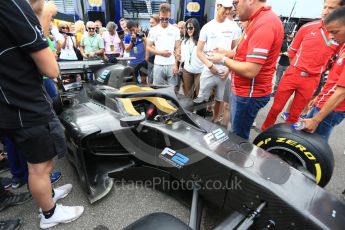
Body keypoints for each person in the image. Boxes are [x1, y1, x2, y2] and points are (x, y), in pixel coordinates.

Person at [0, 0, 84, 228]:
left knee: (36, 164)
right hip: (25, 105)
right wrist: (45, 15)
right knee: (40, 167)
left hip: (12, 103)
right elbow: (51, 69)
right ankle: (49, 214)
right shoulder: (12, 5)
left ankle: (48, 196)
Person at [261, 0, 344, 131]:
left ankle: (285, 137)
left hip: (313, 80)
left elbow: (335, 62)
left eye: (331, 8)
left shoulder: (340, 36)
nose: (326, 11)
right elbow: (291, 52)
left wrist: (317, 71)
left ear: (340, 11)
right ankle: (265, 130)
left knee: (295, 115)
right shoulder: (307, 27)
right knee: (276, 107)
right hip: (293, 74)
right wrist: (298, 67)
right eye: (324, 7)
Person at [209, 0, 284, 139]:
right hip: (244, 92)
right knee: (235, 132)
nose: (233, 8)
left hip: (249, 94)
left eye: (235, 3)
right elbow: (240, 51)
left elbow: (251, 70)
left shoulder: (265, 24)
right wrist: (225, 52)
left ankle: (236, 159)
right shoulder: (255, 20)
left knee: (238, 138)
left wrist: (222, 59)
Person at [303, 6, 345, 141]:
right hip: (323, 103)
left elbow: (341, 92)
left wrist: (316, 119)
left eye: (335, 31)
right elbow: (334, 80)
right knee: (304, 140)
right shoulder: (343, 45)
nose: (331, 36)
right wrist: (318, 98)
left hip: (331, 110)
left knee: (314, 147)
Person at [194, 0, 240, 123]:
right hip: (209, 69)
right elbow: (198, 51)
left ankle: (215, 122)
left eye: (230, 8)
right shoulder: (207, 27)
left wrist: (229, 70)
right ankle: (199, 123)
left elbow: (236, 51)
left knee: (220, 100)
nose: (228, 11)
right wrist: (209, 66)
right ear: (218, 6)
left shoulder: (234, 27)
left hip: (225, 71)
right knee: (202, 99)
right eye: (225, 8)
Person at [147, 3, 181, 86]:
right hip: (158, 64)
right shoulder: (153, 30)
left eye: (167, 19)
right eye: (162, 19)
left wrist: (176, 64)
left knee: (172, 91)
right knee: (158, 91)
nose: (164, 21)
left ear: (169, 16)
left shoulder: (175, 30)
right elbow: (148, 47)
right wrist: (161, 53)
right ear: (159, 16)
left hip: (171, 64)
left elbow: (178, 48)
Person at [180, 18, 203, 98]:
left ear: (196, 28)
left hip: (199, 72)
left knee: (199, 95)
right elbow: (183, 58)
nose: (188, 30)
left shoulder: (201, 42)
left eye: (191, 28)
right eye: (187, 28)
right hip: (187, 71)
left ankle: (200, 110)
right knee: (188, 95)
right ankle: (189, 110)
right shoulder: (184, 42)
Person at [146, 14, 160, 84]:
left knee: (156, 79)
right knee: (150, 78)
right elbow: (148, 46)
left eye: (152, 23)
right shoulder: (150, 32)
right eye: (150, 23)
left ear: (158, 23)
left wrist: (153, 47)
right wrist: (147, 57)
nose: (150, 25)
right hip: (151, 59)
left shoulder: (162, 33)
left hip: (159, 60)